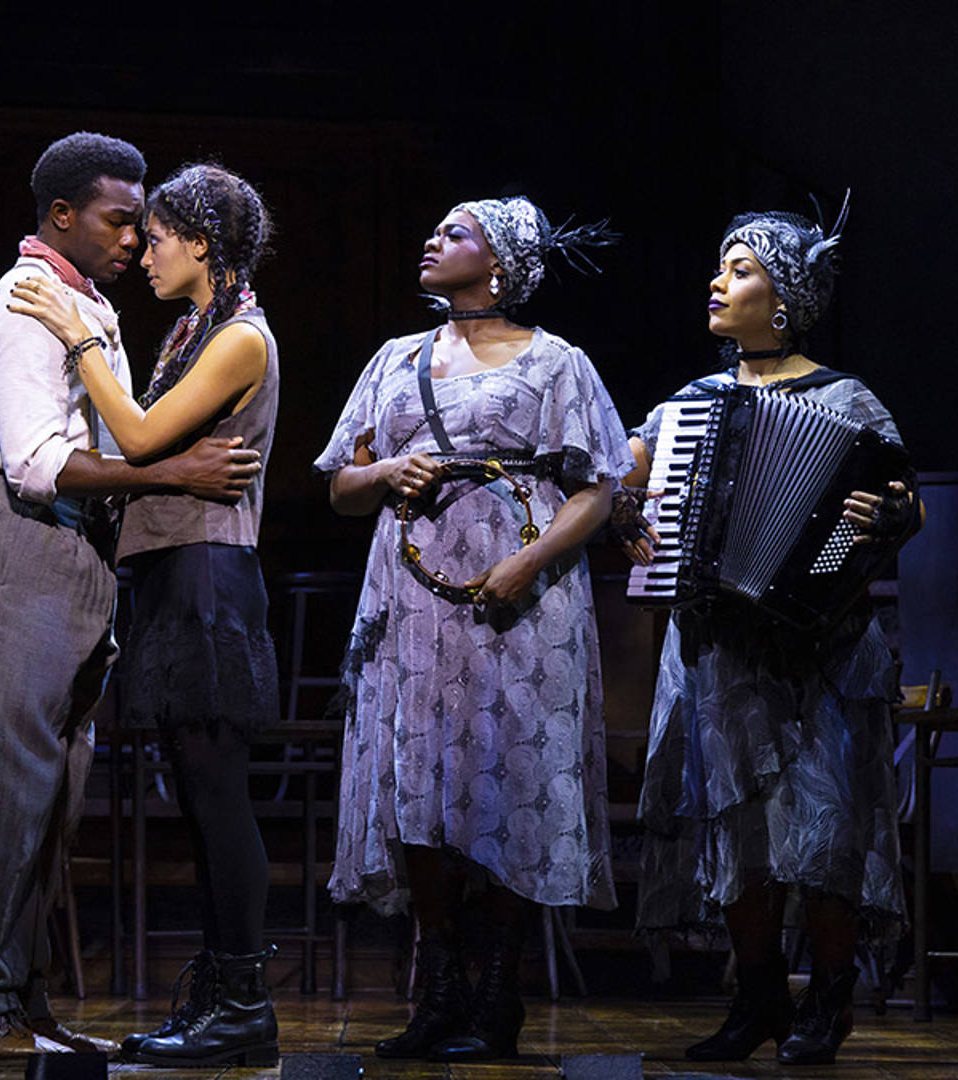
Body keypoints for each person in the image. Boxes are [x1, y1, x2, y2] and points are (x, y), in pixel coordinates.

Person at [0, 133, 264, 1065]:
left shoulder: (90, 306)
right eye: (121, 221)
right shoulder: (28, 298)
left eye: (142, 223)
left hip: (79, 549)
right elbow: (39, 462)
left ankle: (22, 997)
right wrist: (169, 479)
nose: (133, 237)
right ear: (63, 216)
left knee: (58, 788)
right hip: (22, 535)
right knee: (13, 784)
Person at [315, 196, 631, 1061]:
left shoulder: (557, 362)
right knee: (420, 780)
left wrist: (527, 563)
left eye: (455, 232)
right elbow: (339, 486)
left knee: (508, 775)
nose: (430, 239)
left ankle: (501, 990)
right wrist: (384, 469)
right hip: (414, 598)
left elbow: (600, 486)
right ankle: (440, 985)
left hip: (521, 595)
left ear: (500, 264)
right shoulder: (394, 359)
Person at [623, 198, 920, 1067]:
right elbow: (627, 486)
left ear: (783, 297)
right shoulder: (688, 407)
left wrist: (886, 515)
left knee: (825, 832)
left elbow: (904, 502)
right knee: (738, 833)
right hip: (720, 650)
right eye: (720, 267)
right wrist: (632, 518)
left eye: (740, 268)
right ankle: (758, 1002)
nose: (718, 282)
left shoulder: (848, 399)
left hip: (822, 650)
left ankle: (828, 1007)